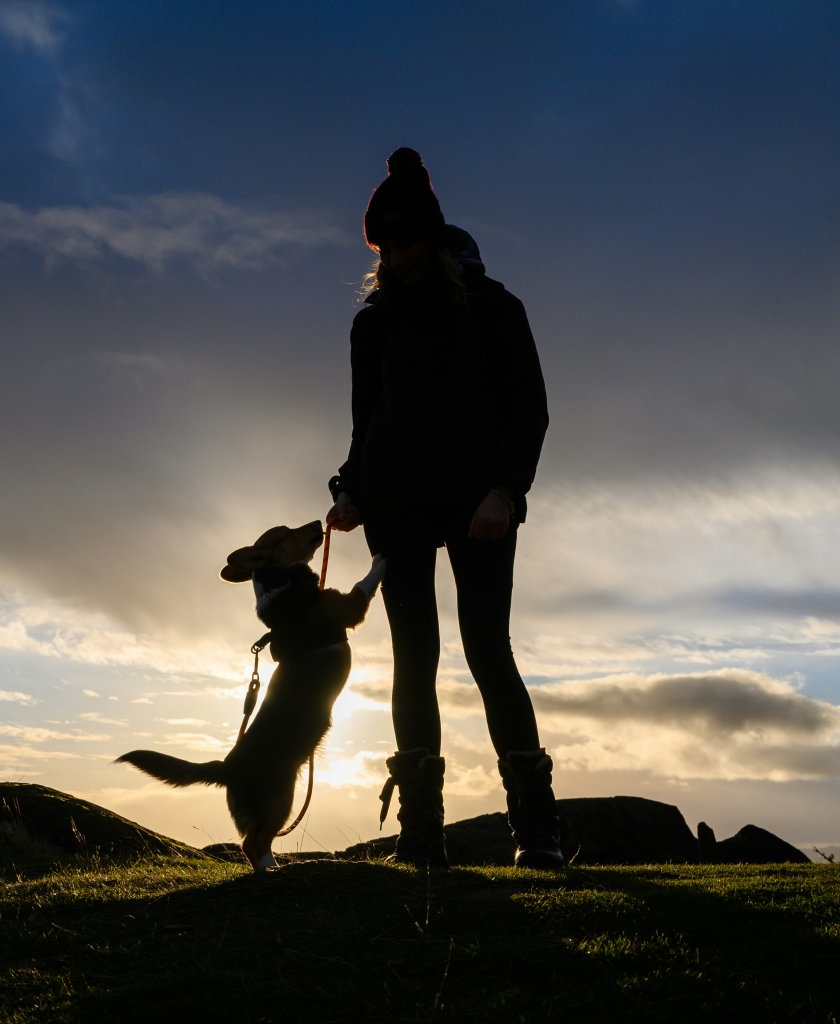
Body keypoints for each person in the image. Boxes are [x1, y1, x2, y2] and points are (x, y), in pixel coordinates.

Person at [327, 147, 564, 869]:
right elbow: (367, 422)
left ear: (432, 240)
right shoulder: (372, 325)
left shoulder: (494, 308)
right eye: (385, 246)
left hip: (477, 503)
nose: (395, 258)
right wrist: (349, 490)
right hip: (395, 503)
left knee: (489, 651)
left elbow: (528, 409)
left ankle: (538, 835)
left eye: (405, 243)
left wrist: (504, 490)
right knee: (412, 660)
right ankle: (421, 839)